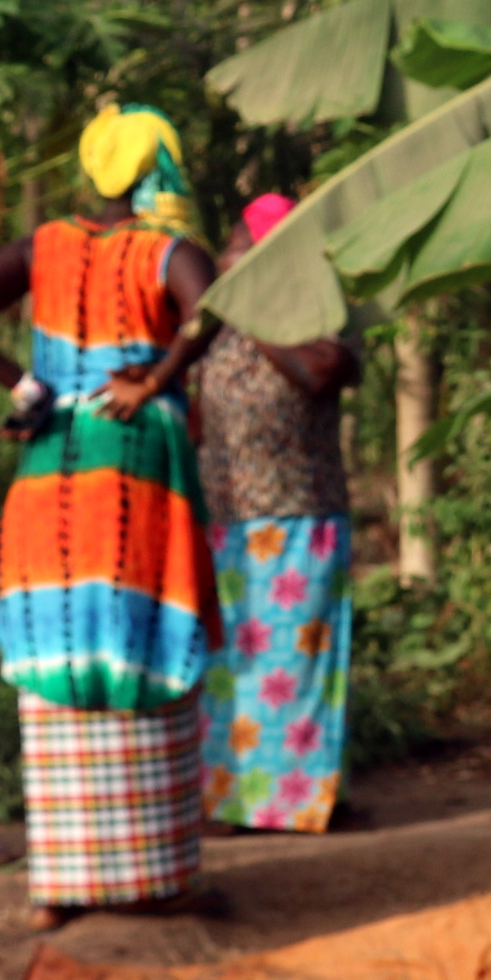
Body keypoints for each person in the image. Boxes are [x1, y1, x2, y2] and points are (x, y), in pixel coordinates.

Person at [0, 106, 221, 925]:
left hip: (50, 468)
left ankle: (58, 886)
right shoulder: (168, 250)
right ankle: (154, 876)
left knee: (60, 648)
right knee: (142, 641)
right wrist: (156, 380)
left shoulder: (43, 245)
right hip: (132, 466)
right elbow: (211, 314)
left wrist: (25, 384)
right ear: (161, 166)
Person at [192, 193, 363, 833]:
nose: (231, 264)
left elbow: (324, 373)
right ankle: (234, 801)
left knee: (293, 672)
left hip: (299, 518)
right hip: (225, 520)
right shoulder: (212, 328)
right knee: (232, 671)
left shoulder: (312, 313)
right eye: (230, 252)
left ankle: (294, 800)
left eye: (245, 254)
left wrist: (252, 309)